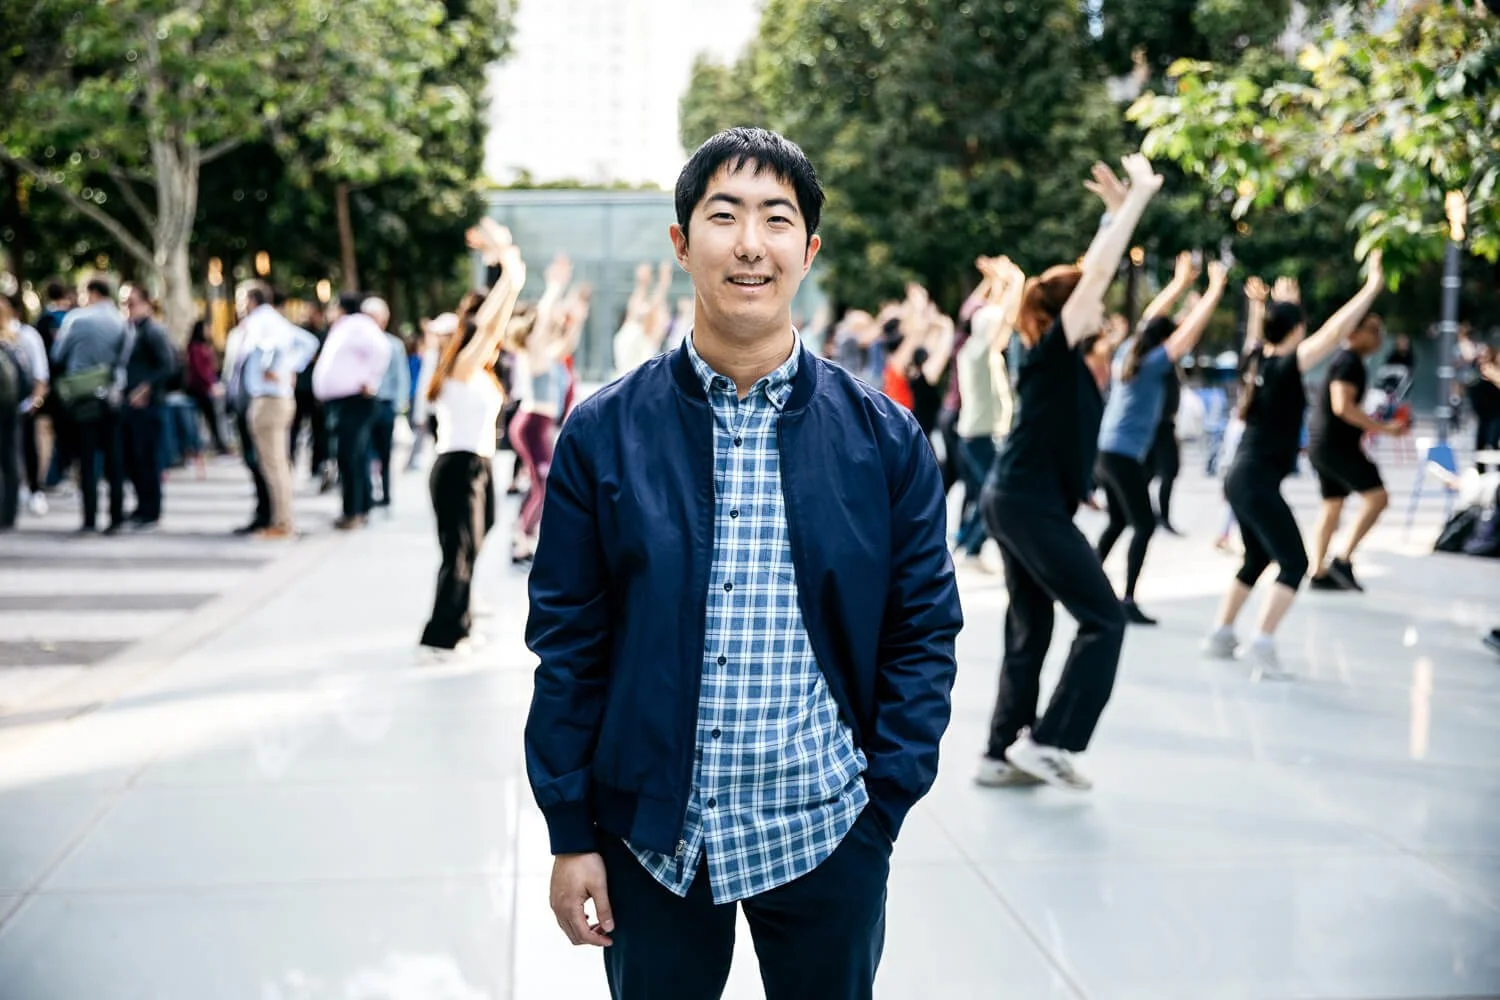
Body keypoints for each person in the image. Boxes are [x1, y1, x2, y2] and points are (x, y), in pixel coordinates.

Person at [524, 127, 962, 1000]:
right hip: (652, 837)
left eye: (777, 218)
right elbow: (568, 644)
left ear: (809, 250)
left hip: (827, 826)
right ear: (683, 243)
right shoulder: (603, 432)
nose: (751, 243)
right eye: (724, 216)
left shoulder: (883, 439)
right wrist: (571, 832)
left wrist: (883, 807)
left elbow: (922, 631)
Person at [975, 155, 1161, 792]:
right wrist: (1137, 200)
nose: (1101, 307)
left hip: (1018, 498)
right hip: (1025, 503)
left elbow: (1090, 272)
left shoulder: (1053, 356)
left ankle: (1000, 752)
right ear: (1069, 312)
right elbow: (1098, 272)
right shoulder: (1051, 352)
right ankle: (1048, 742)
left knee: (1033, 626)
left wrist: (1112, 217)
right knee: (1104, 618)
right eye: (1090, 303)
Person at [1204, 251, 1386, 676]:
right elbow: (1334, 331)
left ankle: (1221, 635)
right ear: (1298, 330)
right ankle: (1262, 644)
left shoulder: (1257, 363)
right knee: (1295, 563)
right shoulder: (1286, 366)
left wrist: (1272, 307)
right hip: (1254, 480)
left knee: (1256, 559)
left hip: (1241, 478)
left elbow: (1262, 336)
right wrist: (1371, 286)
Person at [1095, 257, 1226, 625]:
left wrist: (1180, 283)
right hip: (1121, 455)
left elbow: (1151, 318)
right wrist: (1214, 290)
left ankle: (1085, 583)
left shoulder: (1130, 352)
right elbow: (1187, 333)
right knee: (1144, 525)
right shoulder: (1152, 362)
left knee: (1119, 521)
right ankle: (1126, 599)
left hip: (1107, 451)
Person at [419, 222, 525, 657]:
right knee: (459, 551)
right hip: (457, 465)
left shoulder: (475, 372)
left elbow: (492, 327)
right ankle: (442, 635)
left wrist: (505, 262)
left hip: (477, 464)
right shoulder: (462, 367)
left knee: (475, 541)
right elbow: (489, 326)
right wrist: (509, 269)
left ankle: (459, 619)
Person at [1306, 313, 1409, 590]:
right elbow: (1342, 406)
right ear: (1354, 332)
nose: (1379, 337)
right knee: (1377, 497)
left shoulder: (1349, 361)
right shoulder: (1348, 362)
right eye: (1373, 331)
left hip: (1325, 444)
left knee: (1332, 505)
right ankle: (1342, 559)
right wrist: (1383, 428)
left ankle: (1318, 571)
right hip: (1335, 446)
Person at [507, 253, 585, 564]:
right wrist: (554, 287)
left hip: (538, 424)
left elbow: (566, 345)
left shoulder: (547, 353)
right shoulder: (534, 351)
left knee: (541, 483)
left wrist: (577, 320)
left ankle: (523, 533)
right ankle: (521, 540)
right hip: (532, 424)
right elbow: (542, 321)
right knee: (547, 484)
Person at [232, 281, 319, 539]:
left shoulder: (261, 321)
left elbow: (274, 346)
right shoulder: (273, 320)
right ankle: (279, 520)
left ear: (251, 300)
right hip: (273, 398)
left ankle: (282, 522)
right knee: (276, 463)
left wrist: (274, 368)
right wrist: (289, 366)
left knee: (273, 465)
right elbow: (308, 343)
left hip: (269, 399)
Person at [951, 257, 1023, 570]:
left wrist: (999, 284)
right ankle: (971, 548)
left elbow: (995, 320)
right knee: (995, 494)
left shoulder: (976, 348)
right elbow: (1003, 318)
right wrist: (1015, 283)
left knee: (986, 493)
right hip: (980, 436)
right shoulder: (980, 351)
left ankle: (967, 544)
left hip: (977, 434)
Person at [52, 277, 129, 535]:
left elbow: (58, 354)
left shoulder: (76, 319)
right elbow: (124, 358)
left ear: (93, 293)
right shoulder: (121, 321)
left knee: (87, 461)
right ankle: (116, 517)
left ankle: (89, 519)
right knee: (114, 459)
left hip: (83, 397)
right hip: (111, 396)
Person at [312, 293, 390, 530]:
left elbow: (381, 349)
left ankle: (353, 510)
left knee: (349, 457)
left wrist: (370, 380)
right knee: (354, 456)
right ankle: (359, 507)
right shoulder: (349, 327)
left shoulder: (356, 325)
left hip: (354, 401)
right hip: (347, 401)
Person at [119, 284, 176, 531]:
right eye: (124, 303)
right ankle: (142, 506)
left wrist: (145, 389)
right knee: (134, 458)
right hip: (131, 405)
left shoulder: (153, 330)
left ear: (145, 304)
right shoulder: (131, 330)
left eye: (131, 303)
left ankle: (151, 510)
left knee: (147, 459)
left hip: (148, 406)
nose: (127, 308)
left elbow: (168, 365)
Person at [363, 298, 409, 512]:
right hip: (364, 404)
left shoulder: (394, 345)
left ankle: (386, 493)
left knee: (385, 452)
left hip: (385, 404)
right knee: (364, 451)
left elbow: (401, 376)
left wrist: (399, 405)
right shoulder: (360, 343)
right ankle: (366, 494)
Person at [7, 295, 49, 516]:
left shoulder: (27, 336)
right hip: (11, 404)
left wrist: (35, 401)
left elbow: (40, 373)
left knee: (26, 448)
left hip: (22, 404)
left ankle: (33, 489)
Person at [184, 321, 229, 455]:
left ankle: (218, 442)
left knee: (212, 416)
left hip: (208, 385)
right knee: (210, 415)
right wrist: (210, 385)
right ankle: (216, 443)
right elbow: (199, 370)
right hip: (200, 388)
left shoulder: (205, 346)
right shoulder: (195, 348)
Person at [1466, 343, 1500, 472]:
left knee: (1494, 444)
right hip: (1482, 416)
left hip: (1496, 415)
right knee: (1479, 448)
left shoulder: (1494, 372)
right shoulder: (1476, 372)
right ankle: (1481, 476)